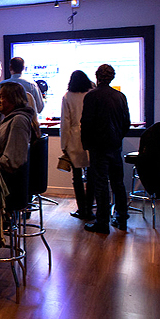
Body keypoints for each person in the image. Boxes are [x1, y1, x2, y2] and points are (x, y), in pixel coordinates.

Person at [80, 64, 131, 234]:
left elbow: (86, 122)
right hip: (115, 145)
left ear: (97, 77)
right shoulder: (120, 96)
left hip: (98, 146)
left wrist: (86, 144)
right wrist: (118, 137)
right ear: (112, 77)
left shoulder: (91, 96)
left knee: (101, 184)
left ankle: (102, 222)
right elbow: (126, 122)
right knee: (118, 183)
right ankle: (122, 218)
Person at [0, 81, 40, 208]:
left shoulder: (18, 121)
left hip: (6, 184)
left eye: (2, 97)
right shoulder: (13, 119)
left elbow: (12, 162)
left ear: (13, 99)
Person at [60, 70, 95, 220]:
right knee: (92, 176)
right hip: (92, 137)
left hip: (74, 139)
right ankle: (90, 207)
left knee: (77, 177)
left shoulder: (68, 96)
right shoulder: (92, 93)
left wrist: (64, 145)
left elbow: (65, 122)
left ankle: (82, 208)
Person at [0, 57, 45, 124]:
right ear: (23, 68)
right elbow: (40, 108)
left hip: (7, 124)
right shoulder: (32, 85)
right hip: (27, 124)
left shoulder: (2, 85)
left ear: (10, 68)